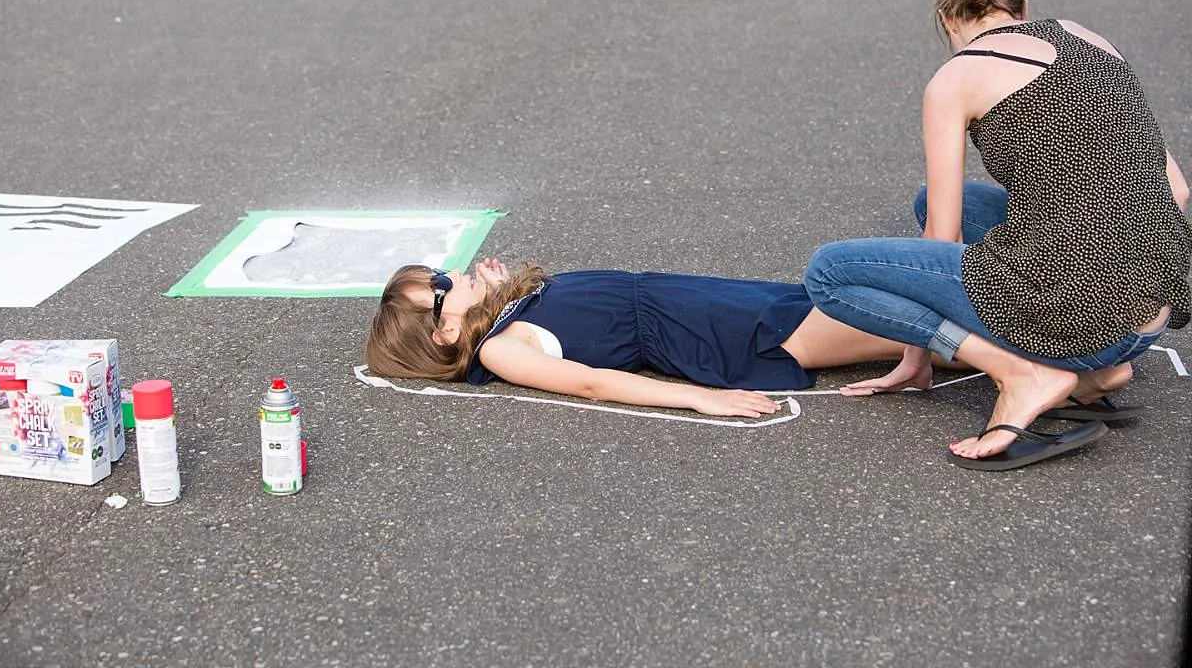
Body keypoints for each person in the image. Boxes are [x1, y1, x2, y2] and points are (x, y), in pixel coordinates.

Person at [804, 0, 1191, 470]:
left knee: (828, 272)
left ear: (945, 18)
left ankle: (1028, 375)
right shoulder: (1087, 37)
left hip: (1088, 321)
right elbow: (1177, 189)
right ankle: (1092, 379)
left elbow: (943, 235)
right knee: (955, 205)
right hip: (1151, 312)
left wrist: (916, 353)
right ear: (1023, 5)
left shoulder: (956, 78)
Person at [365, 258, 957, 418]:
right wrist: (700, 397)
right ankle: (1037, 350)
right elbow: (594, 383)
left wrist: (494, 294)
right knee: (907, 326)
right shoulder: (498, 349)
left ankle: (1033, 323)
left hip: (714, 301)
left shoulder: (504, 314)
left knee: (897, 309)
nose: (454, 274)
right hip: (719, 331)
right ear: (443, 334)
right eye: (442, 287)